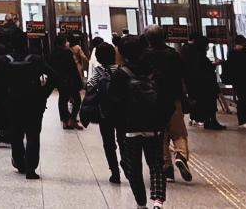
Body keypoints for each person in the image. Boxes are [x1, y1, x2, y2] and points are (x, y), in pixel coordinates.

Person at [111, 36, 170, 209]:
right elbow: (167, 102)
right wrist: (160, 123)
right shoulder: (155, 73)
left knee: (134, 168)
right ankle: (158, 201)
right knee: (156, 165)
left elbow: (114, 104)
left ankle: (141, 204)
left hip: (130, 129)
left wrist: (121, 126)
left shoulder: (121, 75)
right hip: (154, 128)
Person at [0, 27, 51, 179]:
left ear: (10, 43)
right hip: (34, 101)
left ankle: (19, 163)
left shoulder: (4, 60)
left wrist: (3, 92)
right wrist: (44, 92)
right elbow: (54, 76)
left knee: (16, 133)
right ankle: (31, 168)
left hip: (13, 101)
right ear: (26, 42)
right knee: (33, 134)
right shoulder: (36, 59)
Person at [142, 25, 191, 181]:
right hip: (174, 99)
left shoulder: (145, 55)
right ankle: (180, 155)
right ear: (163, 37)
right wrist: (191, 95)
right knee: (179, 133)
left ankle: (166, 166)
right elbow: (186, 75)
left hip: (153, 101)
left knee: (160, 134)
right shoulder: (173, 54)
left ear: (147, 39)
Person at [83, 43, 123, 186]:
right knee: (123, 140)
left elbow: (90, 87)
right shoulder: (120, 70)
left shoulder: (98, 71)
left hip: (103, 112)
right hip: (121, 112)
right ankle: (126, 162)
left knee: (108, 143)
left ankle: (115, 172)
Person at [180, 33, 224, 130]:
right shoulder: (200, 57)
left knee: (205, 103)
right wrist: (214, 65)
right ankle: (210, 121)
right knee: (209, 103)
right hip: (206, 85)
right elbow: (206, 69)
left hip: (200, 84)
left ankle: (207, 120)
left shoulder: (196, 55)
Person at [49, 33, 84, 129]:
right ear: (63, 42)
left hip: (59, 80)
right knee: (77, 99)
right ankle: (72, 119)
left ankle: (64, 121)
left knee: (63, 99)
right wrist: (79, 82)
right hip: (70, 80)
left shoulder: (52, 53)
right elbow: (73, 68)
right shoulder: (67, 53)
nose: (68, 43)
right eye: (67, 41)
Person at [224, 34, 246, 127]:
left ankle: (244, 118)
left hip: (241, 80)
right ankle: (243, 119)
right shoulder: (238, 53)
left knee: (243, 99)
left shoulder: (235, 53)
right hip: (241, 80)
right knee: (243, 99)